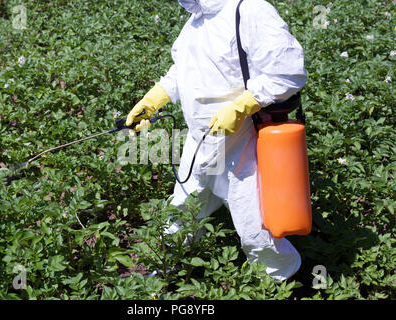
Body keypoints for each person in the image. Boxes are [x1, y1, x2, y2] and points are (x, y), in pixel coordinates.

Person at [125, 0, 307, 281]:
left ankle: (281, 280)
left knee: (254, 227)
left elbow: (287, 70)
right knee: (183, 210)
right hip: (200, 141)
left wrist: (244, 104)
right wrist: (156, 97)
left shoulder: (250, 10)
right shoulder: (195, 22)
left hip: (242, 141)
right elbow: (183, 71)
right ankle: (165, 270)